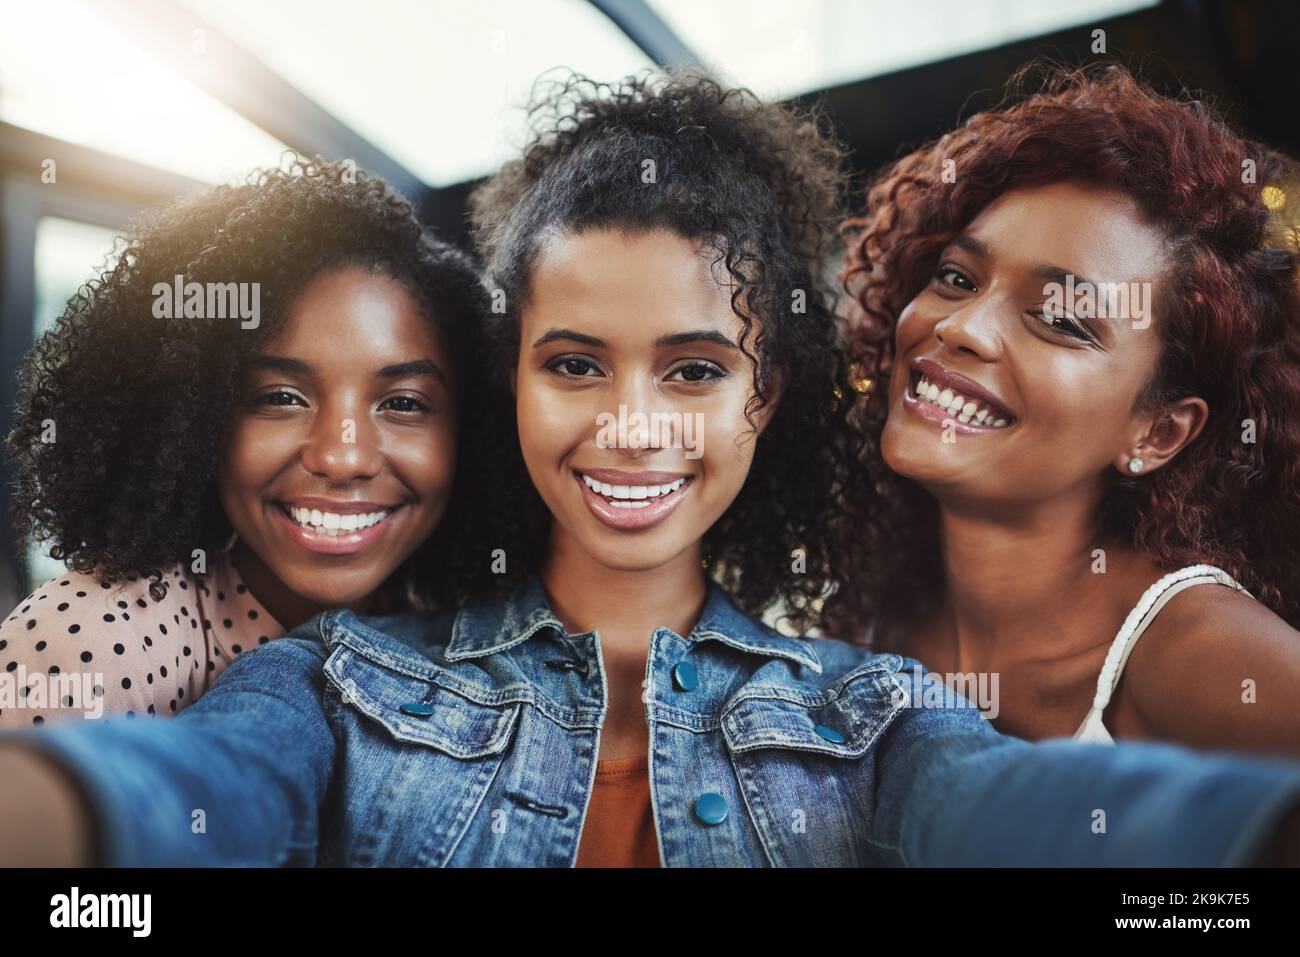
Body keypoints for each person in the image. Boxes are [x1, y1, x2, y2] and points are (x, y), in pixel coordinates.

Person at [2, 71, 1300, 868]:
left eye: (691, 370)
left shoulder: (880, 714)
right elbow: (193, 798)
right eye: (574, 364)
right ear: (507, 381)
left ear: (765, 395)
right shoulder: (334, 680)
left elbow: (1033, 812)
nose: (631, 429)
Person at [839, 61, 1300, 754]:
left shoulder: (1202, 653)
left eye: (1059, 320)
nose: (961, 327)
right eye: (957, 277)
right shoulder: (871, 616)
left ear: (1159, 430)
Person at [0, 158, 489, 726]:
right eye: (281, 397)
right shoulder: (91, 640)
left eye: (402, 403)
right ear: (194, 418)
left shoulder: (464, 632)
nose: (342, 456)